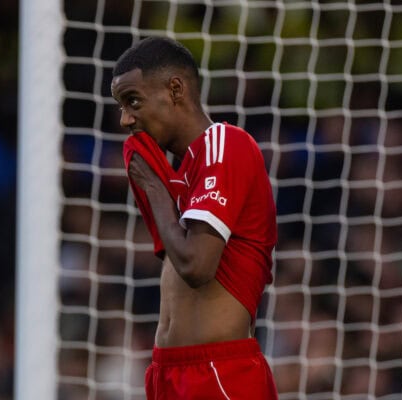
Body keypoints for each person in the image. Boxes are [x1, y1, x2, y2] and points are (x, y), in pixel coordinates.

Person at [111, 36, 278, 399]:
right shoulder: (183, 173)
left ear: (175, 89)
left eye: (133, 101)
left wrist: (153, 188)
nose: (126, 119)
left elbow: (197, 265)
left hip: (219, 372)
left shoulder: (225, 143)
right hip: (168, 373)